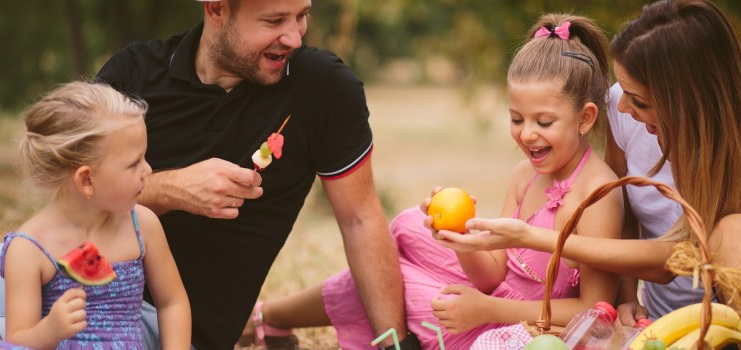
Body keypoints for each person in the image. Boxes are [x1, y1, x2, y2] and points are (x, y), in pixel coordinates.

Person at [0, 0, 410, 348]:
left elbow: (361, 219)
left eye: (302, 15)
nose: (294, 36)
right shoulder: (134, 72)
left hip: (153, 321)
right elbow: (68, 199)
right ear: (216, 8)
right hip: (57, 264)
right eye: (274, 21)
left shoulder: (323, 88)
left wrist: (397, 342)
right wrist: (170, 188)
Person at [436, 1, 741, 349]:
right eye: (621, 92)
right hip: (670, 325)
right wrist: (625, 296)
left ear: (688, 100)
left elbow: (681, 255)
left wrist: (533, 237)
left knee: (734, 230)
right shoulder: (625, 111)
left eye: (639, 100)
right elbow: (622, 210)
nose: (621, 107)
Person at [239, 13, 624, 350]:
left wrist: (487, 310)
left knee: (389, 277)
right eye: (516, 119)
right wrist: (459, 240)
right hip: (494, 299)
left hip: (526, 328)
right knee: (406, 229)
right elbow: (492, 275)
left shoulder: (597, 196)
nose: (526, 135)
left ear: (586, 118)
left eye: (543, 122)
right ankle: (269, 318)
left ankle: (267, 318)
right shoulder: (525, 175)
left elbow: (594, 315)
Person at [0, 81, 188, 348]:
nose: (148, 170)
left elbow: (173, 303)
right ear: (87, 179)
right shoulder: (28, 249)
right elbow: (16, 342)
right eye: (134, 163)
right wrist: (49, 331)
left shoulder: (142, 225)